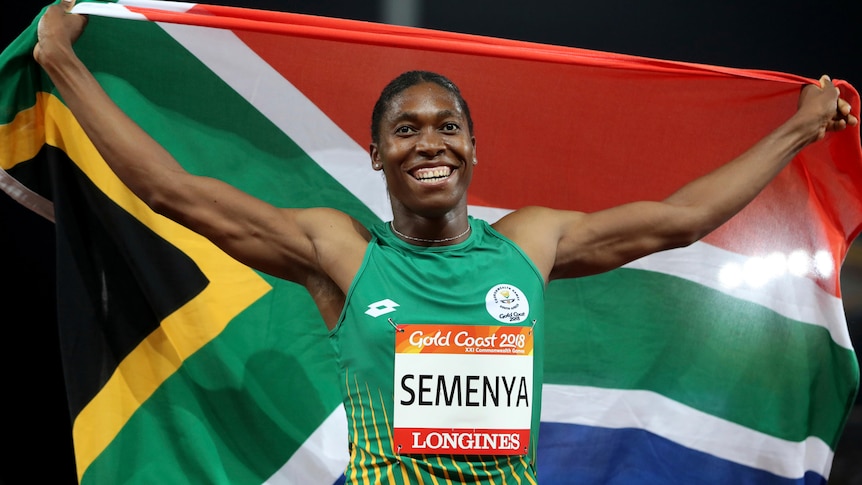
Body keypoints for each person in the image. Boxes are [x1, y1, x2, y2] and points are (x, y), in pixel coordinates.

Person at [34, 1, 857, 483]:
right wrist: (64, 66)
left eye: (447, 127)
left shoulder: (530, 241)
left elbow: (680, 218)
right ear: (378, 154)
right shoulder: (344, 252)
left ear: (472, 148)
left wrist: (797, 128)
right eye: (405, 129)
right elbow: (173, 191)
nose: (428, 142)